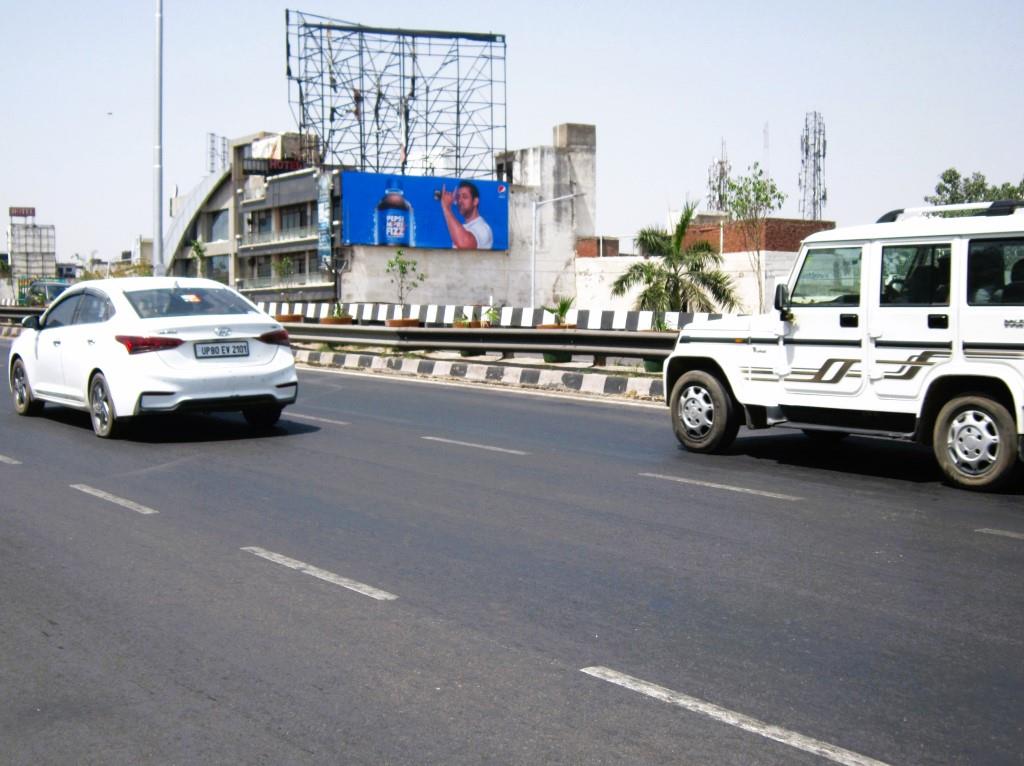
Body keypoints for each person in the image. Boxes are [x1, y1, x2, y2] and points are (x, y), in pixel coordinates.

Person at [439, 180, 493, 249]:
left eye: (465, 197)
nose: (460, 201)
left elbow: (463, 244)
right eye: (458, 197)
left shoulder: (484, 228)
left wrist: (446, 207)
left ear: (475, 201)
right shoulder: (463, 228)